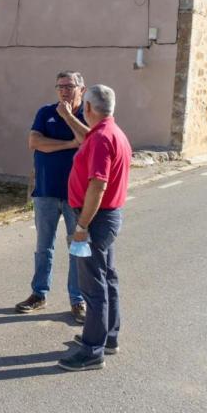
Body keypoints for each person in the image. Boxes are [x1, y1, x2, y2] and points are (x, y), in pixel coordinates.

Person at [58, 84, 132, 372]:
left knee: (93, 286)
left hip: (96, 219)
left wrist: (81, 226)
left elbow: (98, 184)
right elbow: (87, 139)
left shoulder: (102, 138)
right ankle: (108, 337)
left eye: (82, 108)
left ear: (88, 108)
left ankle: (92, 350)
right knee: (107, 277)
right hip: (108, 217)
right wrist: (68, 118)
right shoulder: (111, 132)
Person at [15, 71, 90, 323]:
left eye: (69, 86)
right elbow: (34, 142)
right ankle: (39, 294)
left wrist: (68, 117)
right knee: (43, 247)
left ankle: (78, 299)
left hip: (75, 195)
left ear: (82, 88)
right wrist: (69, 145)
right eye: (59, 86)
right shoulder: (45, 112)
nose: (63, 91)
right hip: (46, 192)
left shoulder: (86, 115)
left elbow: (87, 141)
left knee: (77, 248)